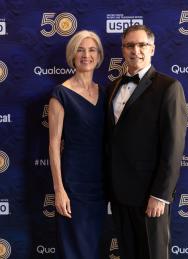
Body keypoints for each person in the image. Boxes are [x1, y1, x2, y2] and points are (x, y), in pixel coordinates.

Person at [106, 24, 188, 259]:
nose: (136, 50)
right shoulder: (112, 88)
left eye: (142, 45)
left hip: (150, 197)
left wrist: (160, 195)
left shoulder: (169, 87)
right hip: (120, 196)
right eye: (130, 45)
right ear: (123, 50)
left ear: (152, 49)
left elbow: (173, 147)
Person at [48, 30, 106, 259]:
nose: (86, 55)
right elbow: (53, 145)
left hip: (100, 184)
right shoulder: (60, 93)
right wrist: (59, 190)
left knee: (93, 248)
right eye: (80, 50)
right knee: (75, 250)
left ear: (99, 56)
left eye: (92, 50)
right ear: (72, 55)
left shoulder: (105, 92)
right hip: (73, 184)